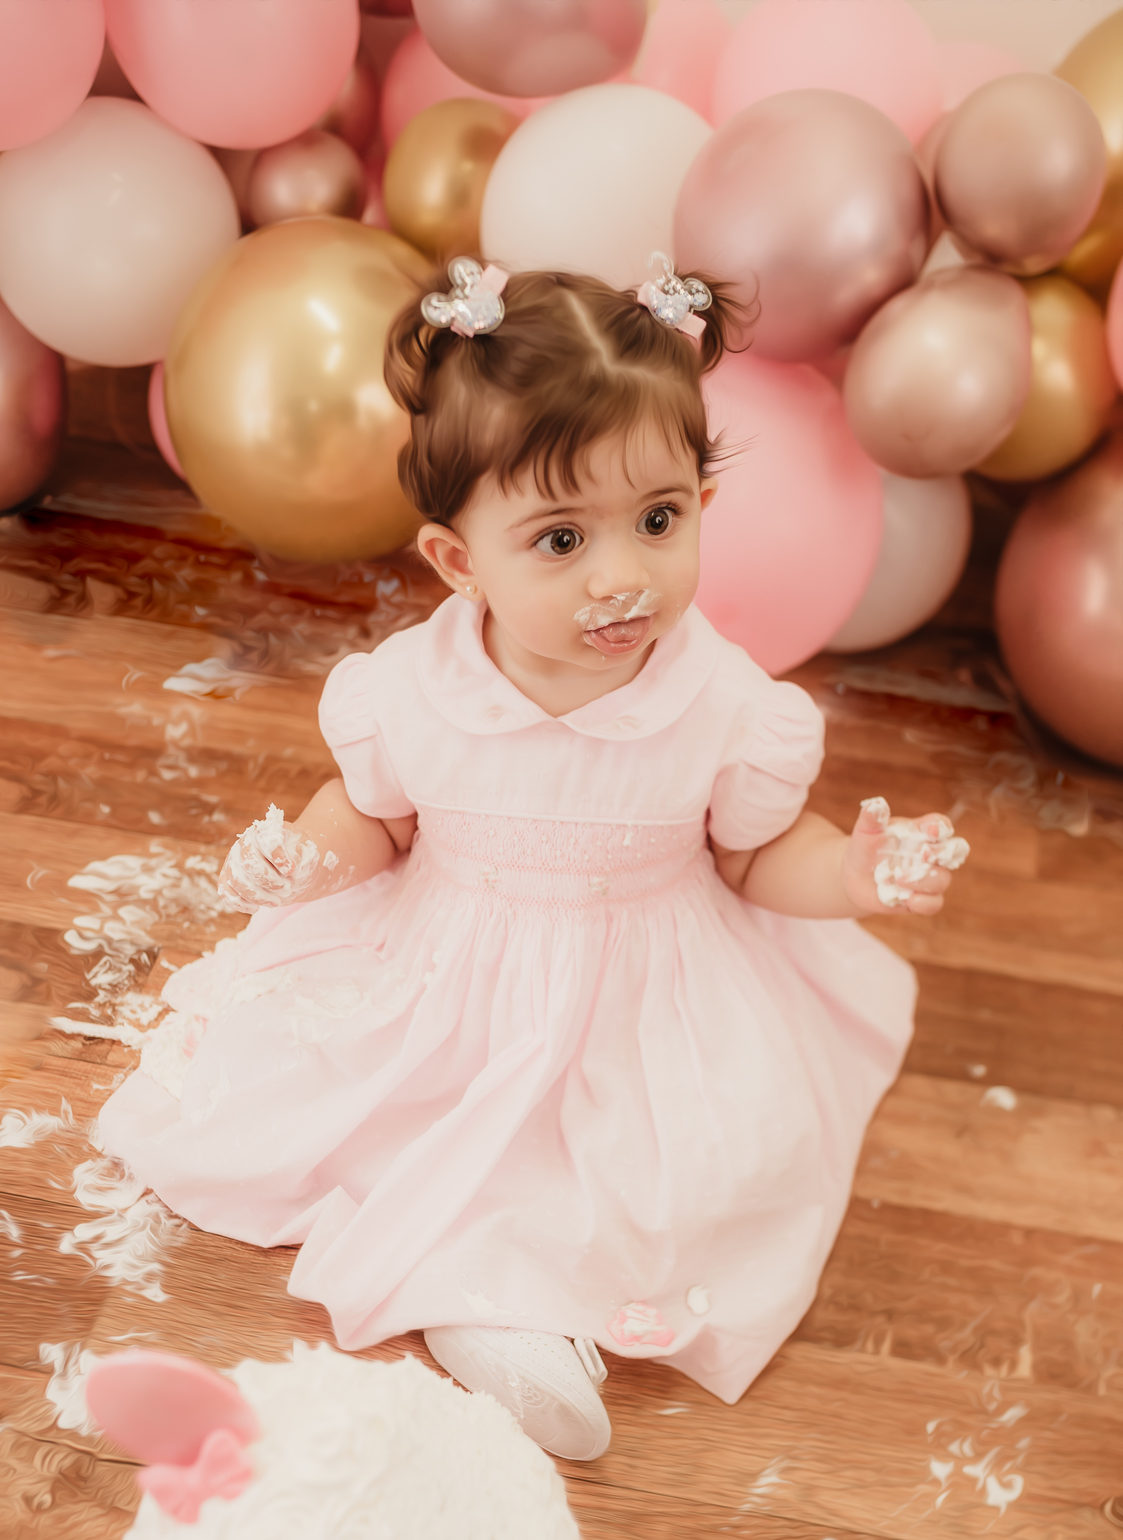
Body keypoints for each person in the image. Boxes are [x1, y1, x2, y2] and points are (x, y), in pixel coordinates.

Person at [98, 254, 967, 1463]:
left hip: (644, 991)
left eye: (659, 520)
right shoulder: (415, 692)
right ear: (460, 561)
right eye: (561, 538)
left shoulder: (724, 704)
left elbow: (756, 860)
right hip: (457, 972)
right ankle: (493, 1311)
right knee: (407, 1119)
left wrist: (851, 878)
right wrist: (308, 860)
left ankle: (508, 1306)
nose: (623, 578)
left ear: (702, 502)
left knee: (672, 1173)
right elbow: (376, 820)